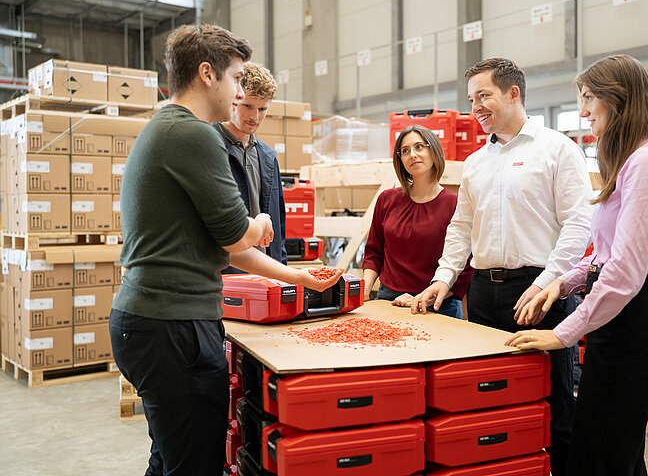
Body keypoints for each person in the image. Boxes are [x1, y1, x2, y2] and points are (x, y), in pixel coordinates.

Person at [109, 24, 341, 476]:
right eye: (236, 79)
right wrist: (261, 223)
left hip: (157, 323)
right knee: (194, 463)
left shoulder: (168, 128)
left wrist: (297, 277)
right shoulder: (195, 135)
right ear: (206, 74)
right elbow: (237, 236)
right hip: (171, 326)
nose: (239, 94)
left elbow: (225, 248)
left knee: (170, 459)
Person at [509, 54, 648, 476]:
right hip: (615, 324)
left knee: (600, 458)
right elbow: (604, 253)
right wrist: (563, 282)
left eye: (590, 98)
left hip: (630, 327)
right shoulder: (631, 161)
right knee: (614, 456)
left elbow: (625, 271)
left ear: (619, 98)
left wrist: (562, 334)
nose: (583, 111)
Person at [414, 57, 593, 475]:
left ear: (513, 94)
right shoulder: (477, 161)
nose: (475, 107)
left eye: (484, 96)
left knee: (553, 403)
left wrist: (549, 281)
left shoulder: (557, 149)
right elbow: (462, 227)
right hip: (483, 293)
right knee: (490, 399)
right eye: (471, 99)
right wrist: (444, 277)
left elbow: (578, 222)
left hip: (540, 292)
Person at [362, 125, 472, 319]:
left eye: (419, 147)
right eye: (405, 151)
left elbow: (466, 265)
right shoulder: (387, 200)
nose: (412, 154)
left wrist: (424, 299)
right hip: (388, 301)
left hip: (438, 305)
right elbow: (374, 252)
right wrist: (364, 289)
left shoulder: (455, 204)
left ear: (434, 150)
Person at [213, 62, 288, 267]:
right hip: (226, 272)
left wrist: (282, 272)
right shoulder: (210, 147)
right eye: (247, 106)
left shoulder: (268, 157)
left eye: (262, 109)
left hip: (265, 271)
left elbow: (279, 227)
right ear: (234, 98)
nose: (255, 117)